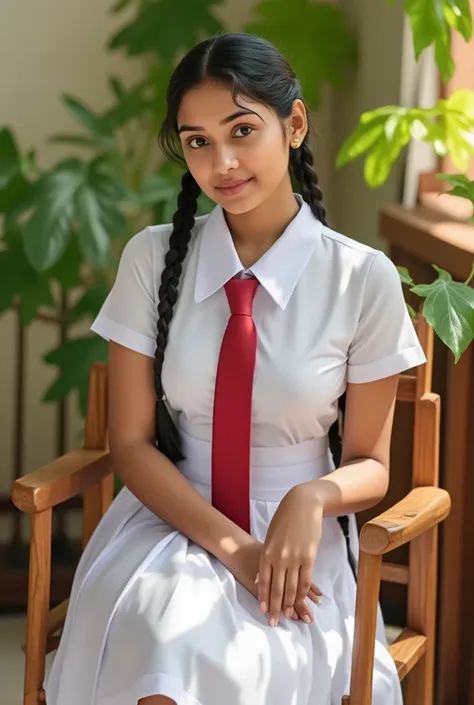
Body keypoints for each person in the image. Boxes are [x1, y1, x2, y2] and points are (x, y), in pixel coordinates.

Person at [44, 32, 427, 705]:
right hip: (169, 521)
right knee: (160, 651)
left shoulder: (361, 278)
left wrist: (311, 499)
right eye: (196, 141)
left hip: (294, 545)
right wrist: (233, 549)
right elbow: (130, 443)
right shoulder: (150, 257)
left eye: (242, 130)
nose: (221, 162)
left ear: (295, 124)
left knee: (231, 662)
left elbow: (371, 460)